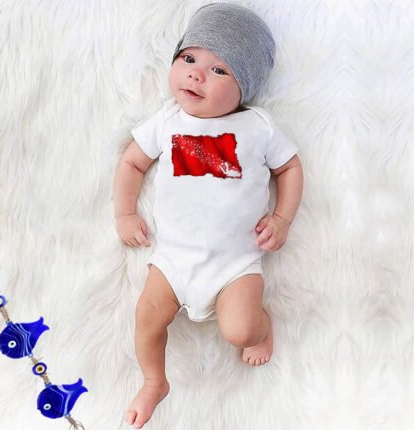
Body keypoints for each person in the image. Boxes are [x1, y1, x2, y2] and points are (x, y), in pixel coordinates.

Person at [113, 3, 304, 428]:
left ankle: (262, 325)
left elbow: (290, 168)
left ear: (244, 86)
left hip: (235, 264)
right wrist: (125, 213)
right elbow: (131, 163)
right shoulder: (167, 120)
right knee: (147, 317)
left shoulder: (258, 126)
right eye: (189, 59)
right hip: (173, 259)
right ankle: (153, 382)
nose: (196, 74)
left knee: (241, 331)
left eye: (219, 70)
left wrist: (282, 218)